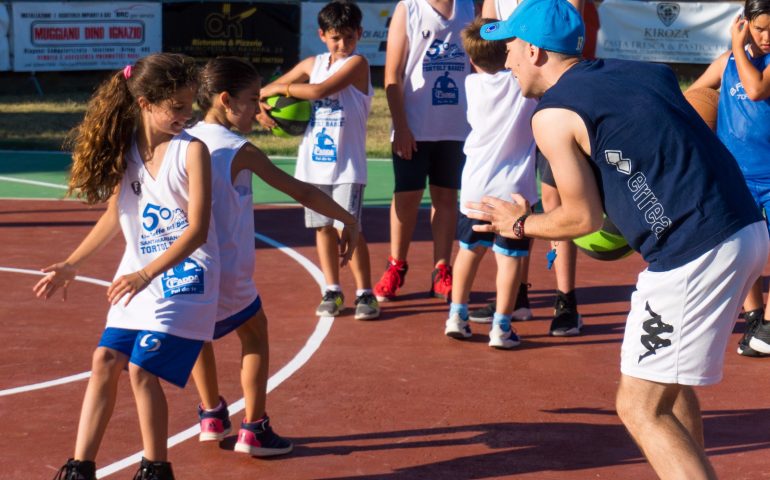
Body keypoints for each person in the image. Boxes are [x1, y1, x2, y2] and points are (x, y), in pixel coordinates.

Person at [470, 1, 768, 478]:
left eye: (509, 49)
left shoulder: (552, 115)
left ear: (534, 51)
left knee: (640, 407)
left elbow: (581, 218)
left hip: (692, 248)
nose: (505, 60)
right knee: (667, 386)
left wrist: (520, 224)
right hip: (746, 227)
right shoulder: (643, 72)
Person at [37, 53, 217, 480]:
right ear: (145, 103)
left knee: (141, 368)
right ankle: (80, 468)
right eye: (176, 106)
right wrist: (71, 264)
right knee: (104, 359)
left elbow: (198, 231)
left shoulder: (193, 151)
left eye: (190, 105)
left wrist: (144, 273)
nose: (186, 114)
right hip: (140, 278)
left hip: (184, 277)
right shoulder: (129, 151)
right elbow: (115, 214)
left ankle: (156, 469)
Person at [187, 56, 360, 456]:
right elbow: (301, 190)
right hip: (227, 267)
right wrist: (346, 218)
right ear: (226, 101)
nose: (260, 107)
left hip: (188, 264)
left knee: (199, 334)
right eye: (252, 99)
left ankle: (211, 414)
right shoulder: (237, 149)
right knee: (255, 333)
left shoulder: (183, 140)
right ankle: (254, 428)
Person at [470, 0, 590, 337]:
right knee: (515, 195)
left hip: (550, 98)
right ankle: (517, 295)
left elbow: (565, 36)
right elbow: (485, 41)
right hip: (510, 104)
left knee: (558, 203)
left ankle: (565, 300)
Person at [256, 0, 379, 320]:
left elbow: (320, 91)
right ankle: (333, 289)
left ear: (360, 34)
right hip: (313, 163)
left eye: (350, 37)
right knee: (323, 228)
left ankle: (366, 293)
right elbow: (263, 91)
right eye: (336, 38)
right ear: (322, 35)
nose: (343, 44)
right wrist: (263, 106)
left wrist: (282, 89)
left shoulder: (358, 64)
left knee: (350, 228)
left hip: (347, 165)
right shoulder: (313, 63)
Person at [443, 16, 537, 348]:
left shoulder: (471, 85)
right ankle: (501, 326)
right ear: (511, 51)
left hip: (474, 187)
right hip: (514, 191)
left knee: (468, 252)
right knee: (509, 259)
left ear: (471, 59)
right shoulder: (520, 85)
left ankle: (457, 314)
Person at [374, 0, 475, 302]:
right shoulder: (409, 8)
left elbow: (480, 63)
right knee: (406, 199)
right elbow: (391, 75)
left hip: (456, 125)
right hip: (416, 126)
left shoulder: (470, 7)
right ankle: (396, 266)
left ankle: (442, 270)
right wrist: (401, 126)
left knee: (446, 198)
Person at [688, 0, 770, 357]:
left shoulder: (749, 60)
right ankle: (755, 316)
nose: (767, 37)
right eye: (760, 28)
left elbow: (756, 90)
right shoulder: (725, 64)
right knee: (746, 251)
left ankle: (768, 324)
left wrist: (738, 46)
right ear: (745, 23)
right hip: (735, 175)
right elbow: (692, 96)